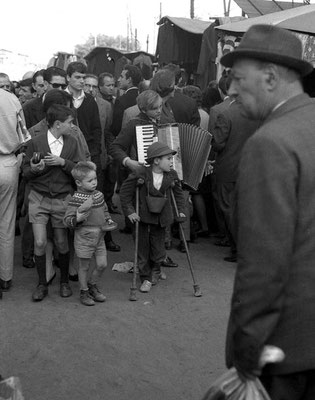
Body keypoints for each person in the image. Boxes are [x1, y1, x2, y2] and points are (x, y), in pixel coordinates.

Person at [220, 24, 315, 399]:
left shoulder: (270, 142)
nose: (230, 90)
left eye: (238, 79)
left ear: (271, 77)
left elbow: (263, 265)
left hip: (285, 349)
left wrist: (245, 353)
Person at [23, 104, 81, 301]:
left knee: (62, 242)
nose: (72, 126)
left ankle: (64, 281)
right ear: (58, 124)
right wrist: (35, 169)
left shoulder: (72, 143)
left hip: (62, 199)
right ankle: (42, 283)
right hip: (38, 198)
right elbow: (26, 173)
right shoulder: (36, 142)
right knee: (39, 242)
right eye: (70, 122)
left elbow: (80, 170)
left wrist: (63, 163)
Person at [119, 142, 186, 292]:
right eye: (168, 158)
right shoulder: (140, 173)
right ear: (156, 161)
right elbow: (125, 193)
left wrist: (181, 211)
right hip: (142, 217)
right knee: (142, 247)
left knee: (158, 247)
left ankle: (156, 270)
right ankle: (145, 277)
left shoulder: (172, 175)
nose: (171, 162)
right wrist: (130, 211)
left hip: (161, 218)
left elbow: (178, 195)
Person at [64, 161, 115, 306]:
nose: (94, 183)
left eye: (95, 179)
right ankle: (84, 291)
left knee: (102, 264)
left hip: (100, 236)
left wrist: (109, 219)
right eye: (90, 180)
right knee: (84, 266)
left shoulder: (99, 195)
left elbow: (104, 210)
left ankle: (92, 284)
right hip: (84, 238)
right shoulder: (76, 199)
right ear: (78, 183)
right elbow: (67, 219)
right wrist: (77, 219)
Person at [83, 73, 121, 252]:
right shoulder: (73, 103)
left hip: (101, 159)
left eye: (94, 86)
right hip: (79, 159)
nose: (90, 89)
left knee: (102, 199)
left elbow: (107, 132)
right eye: (87, 85)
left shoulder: (106, 106)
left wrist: (110, 156)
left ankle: (106, 238)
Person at [0, 88, 26, 296]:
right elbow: (23, 135)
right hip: (7, 163)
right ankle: (5, 276)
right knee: (6, 222)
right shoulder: (11, 99)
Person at [111, 64, 143, 137]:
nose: (119, 79)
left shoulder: (121, 101)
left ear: (129, 80)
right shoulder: (143, 97)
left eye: (122, 77)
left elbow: (116, 129)